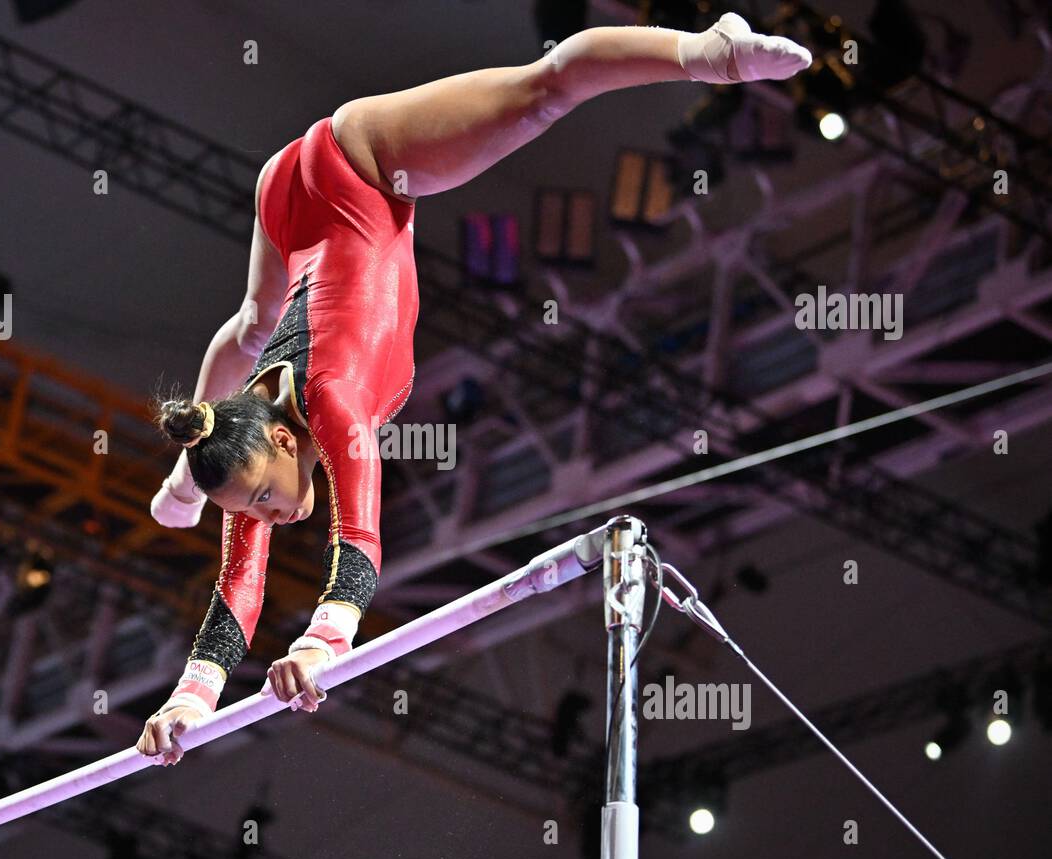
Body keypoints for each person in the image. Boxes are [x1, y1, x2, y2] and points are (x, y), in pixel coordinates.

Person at [137, 13, 811, 765]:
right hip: (285, 205)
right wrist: (185, 703)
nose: (270, 515)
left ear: (287, 439)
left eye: (263, 499)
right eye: (253, 507)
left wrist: (324, 643)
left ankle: (707, 52)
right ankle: (181, 477)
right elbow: (237, 587)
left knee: (543, 93)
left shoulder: (333, 400)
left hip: (355, 162)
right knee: (256, 321)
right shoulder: (243, 440)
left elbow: (357, 539)